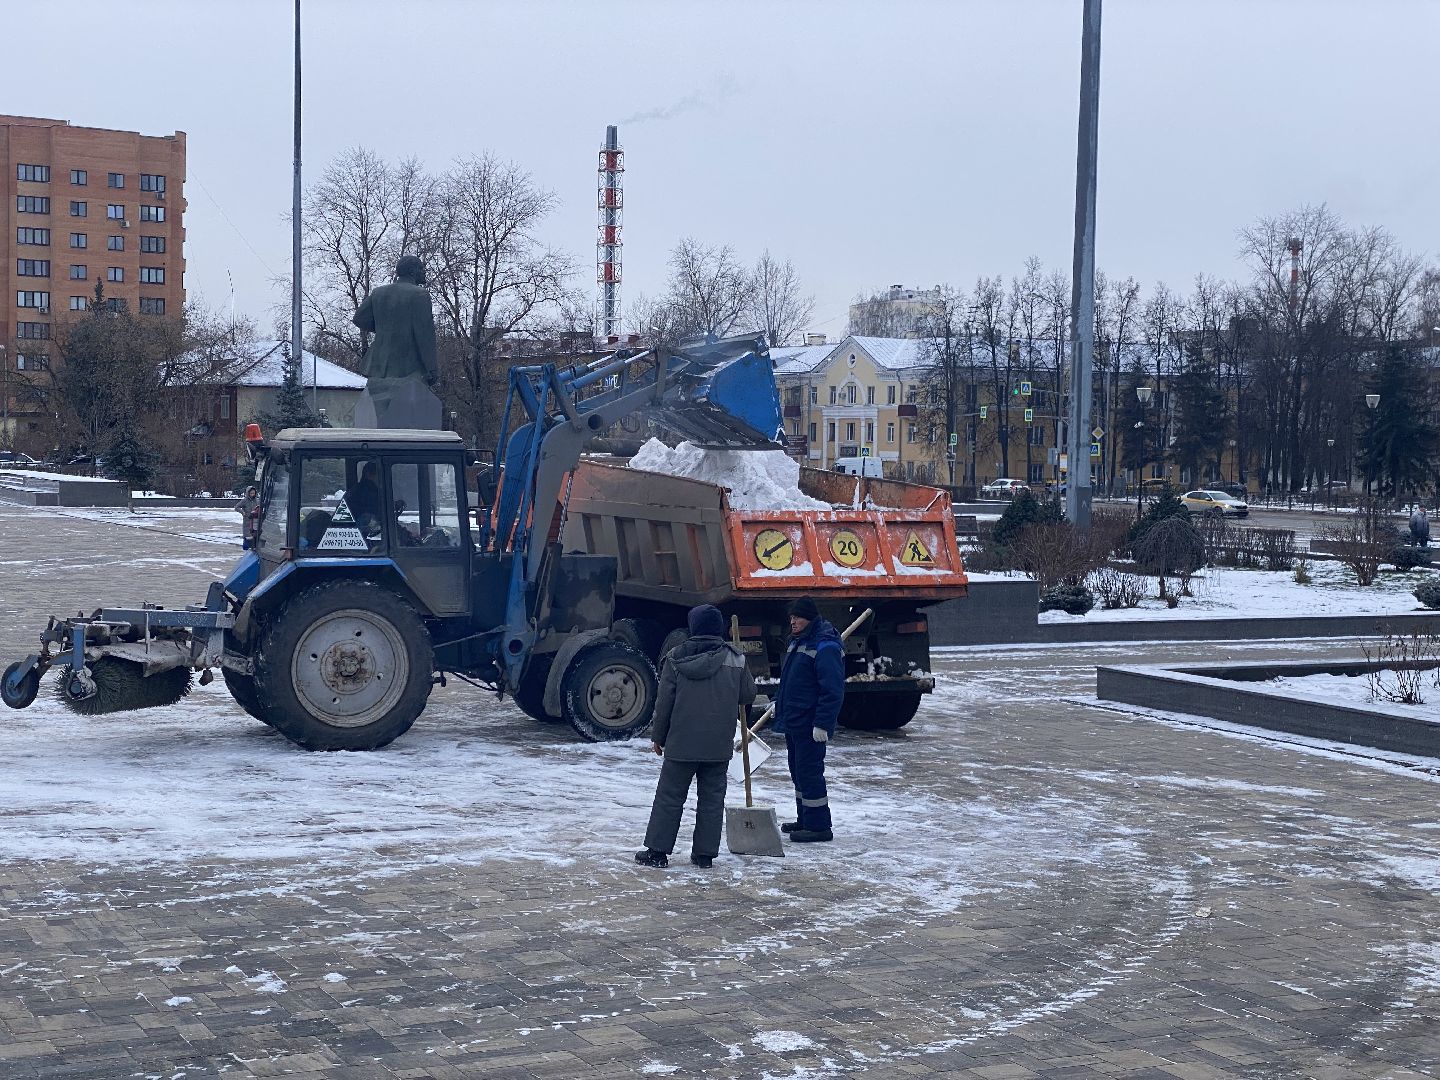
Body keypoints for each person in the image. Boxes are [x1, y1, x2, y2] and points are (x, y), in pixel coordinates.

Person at [636, 604, 755, 869]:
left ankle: (657, 852)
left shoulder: (675, 658)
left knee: (670, 797)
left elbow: (664, 702)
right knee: (712, 799)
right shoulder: (736, 659)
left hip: (681, 743)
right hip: (718, 744)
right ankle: (704, 855)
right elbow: (747, 695)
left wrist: (659, 736)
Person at [772, 596, 844, 843]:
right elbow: (792, 682)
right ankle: (805, 819)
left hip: (810, 723)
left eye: (797, 618)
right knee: (799, 772)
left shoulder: (825, 645)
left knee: (810, 773)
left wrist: (823, 723)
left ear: (809, 618)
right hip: (795, 720)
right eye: (791, 617)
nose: (792, 622)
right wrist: (778, 705)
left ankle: (819, 826)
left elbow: (832, 689)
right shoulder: (798, 641)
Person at [343, 462, 384, 538]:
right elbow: (375, 510)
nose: (381, 478)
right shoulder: (367, 491)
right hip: (358, 529)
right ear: (368, 474)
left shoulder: (360, 489)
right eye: (378, 475)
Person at [235, 485, 260, 551]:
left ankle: (254, 547)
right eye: (251, 493)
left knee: (254, 534)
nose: (252, 495)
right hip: (247, 520)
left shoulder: (257, 500)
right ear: (248, 493)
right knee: (247, 534)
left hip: (255, 520)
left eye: (253, 493)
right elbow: (236, 507)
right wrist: (243, 512)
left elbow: (259, 507)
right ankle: (246, 547)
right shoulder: (245, 500)